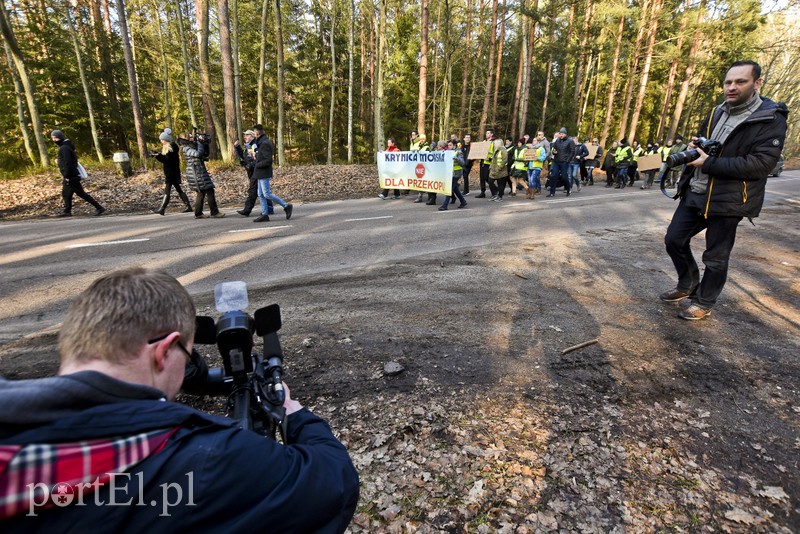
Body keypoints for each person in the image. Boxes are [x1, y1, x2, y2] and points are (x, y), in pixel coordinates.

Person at [0, 268, 359, 531]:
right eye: (187, 358)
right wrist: (294, 413)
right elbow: (331, 483)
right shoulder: (208, 459)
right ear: (164, 352)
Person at [661, 60, 788, 320]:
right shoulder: (718, 111)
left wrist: (710, 162)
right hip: (696, 190)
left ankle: (704, 301)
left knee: (716, 257)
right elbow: (704, 143)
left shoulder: (769, 118)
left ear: (757, 83)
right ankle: (687, 285)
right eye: (728, 82)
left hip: (730, 199)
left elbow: (762, 164)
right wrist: (697, 145)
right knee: (674, 240)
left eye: (740, 82)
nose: (732, 87)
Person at [51, 130, 105, 217]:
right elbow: (68, 161)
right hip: (71, 175)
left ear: (59, 137)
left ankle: (99, 207)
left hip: (71, 176)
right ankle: (67, 211)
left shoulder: (64, 148)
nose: (54, 140)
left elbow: (68, 163)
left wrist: (67, 175)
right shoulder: (66, 147)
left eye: (55, 138)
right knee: (66, 193)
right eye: (53, 138)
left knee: (81, 193)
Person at [251, 124, 292, 222]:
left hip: (264, 172)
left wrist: (257, 164)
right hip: (260, 172)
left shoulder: (265, 143)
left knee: (266, 193)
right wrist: (255, 157)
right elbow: (261, 157)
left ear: (257, 132)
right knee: (260, 194)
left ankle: (286, 205)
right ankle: (265, 214)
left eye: (254, 132)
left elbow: (268, 160)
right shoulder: (260, 142)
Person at [178, 132, 224, 219]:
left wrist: (204, 143)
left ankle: (198, 213)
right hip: (196, 173)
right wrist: (199, 143)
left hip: (198, 171)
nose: (192, 137)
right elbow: (198, 154)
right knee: (209, 190)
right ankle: (214, 212)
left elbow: (204, 154)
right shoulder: (186, 148)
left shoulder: (192, 145)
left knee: (201, 192)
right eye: (190, 136)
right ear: (185, 138)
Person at [152, 130, 193, 215]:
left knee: (167, 190)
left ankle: (162, 208)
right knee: (178, 189)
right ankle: (188, 206)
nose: (161, 141)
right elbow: (166, 158)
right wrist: (157, 155)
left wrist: (158, 156)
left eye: (162, 139)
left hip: (171, 172)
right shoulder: (169, 147)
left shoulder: (171, 147)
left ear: (166, 139)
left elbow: (167, 160)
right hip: (172, 172)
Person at [235, 129, 273, 217]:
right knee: (263, 191)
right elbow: (243, 156)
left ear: (252, 136)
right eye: (245, 135)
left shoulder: (255, 145)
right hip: (252, 172)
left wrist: (251, 165)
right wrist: (237, 148)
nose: (245, 137)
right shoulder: (248, 147)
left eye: (247, 135)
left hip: (257, 172)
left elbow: (259, 158)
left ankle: (247, 210)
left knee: (253, 191)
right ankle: (269, 208)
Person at [439, 139, 468, 210]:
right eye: (448, 145)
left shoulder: (458, 152)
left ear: (454, 145)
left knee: (449, 189)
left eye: (450, 145)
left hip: (457, 173)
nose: (449, 147)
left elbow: (463, 163)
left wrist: (456, 158)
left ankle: (445, 205)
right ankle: (463, 201)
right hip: (450, 173)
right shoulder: (448, 152)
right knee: (455, 189)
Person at [547, 127, 575, 197]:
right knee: (553, 176)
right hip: (556, 161)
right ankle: (552, 192)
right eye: (560, 134)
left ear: (565, 134)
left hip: (564, 161)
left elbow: (572, 152)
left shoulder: (570, 141)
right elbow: (554, 149)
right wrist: (554, 152)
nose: (561, 135)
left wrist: (567, 160)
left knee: (564, 177)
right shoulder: (557, 140)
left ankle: (568, 189)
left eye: (562, 134)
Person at [476, 129, 496, 198]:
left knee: (487, 178)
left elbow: (494, 153)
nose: (486, 134)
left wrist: (489, 158)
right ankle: (482, 192)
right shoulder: (484, 142)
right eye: (486, 133)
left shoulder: (493, 142)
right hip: (482, 162)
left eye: (488, 133)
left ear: (491, 134)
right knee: (482, 178)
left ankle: (495, 189)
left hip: (488, 163)